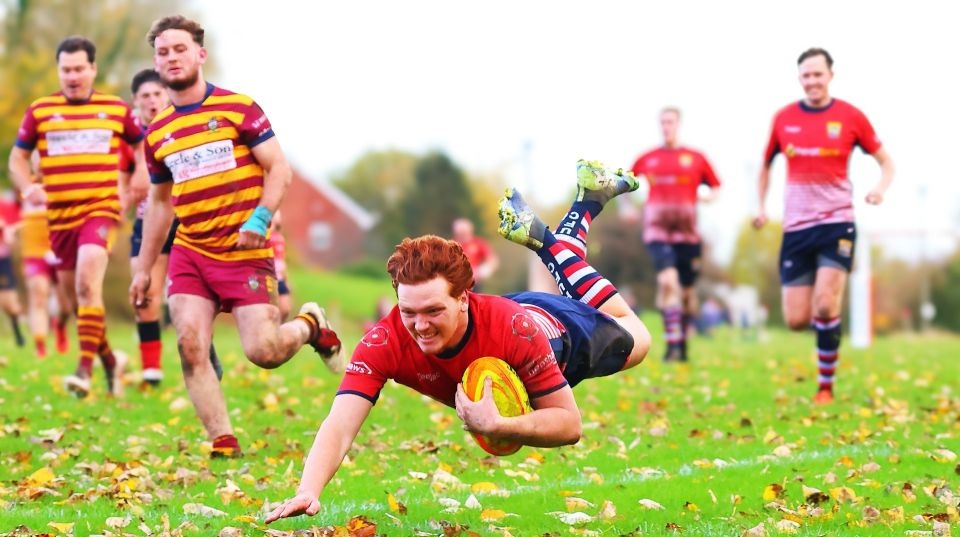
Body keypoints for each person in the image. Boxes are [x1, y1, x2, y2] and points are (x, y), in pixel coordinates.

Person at [265, 160, 651, 524]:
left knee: (637, 336)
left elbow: (569, 424)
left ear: (463, 297)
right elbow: (340, 424)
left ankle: (549, 241)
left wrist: (501, 425)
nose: (420, 326)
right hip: (507, 318)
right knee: (555, 279)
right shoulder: (385, 340)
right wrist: (307, 489)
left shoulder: (515, 331)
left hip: (558, 334)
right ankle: (586, 203)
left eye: (433, 311)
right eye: (408, 311)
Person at [130, 15, 344, 458]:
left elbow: (278, 169)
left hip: (245, 248)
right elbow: (159, 204)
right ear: (156, 61)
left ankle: (308, 325)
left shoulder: (239, 108)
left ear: (200, 54)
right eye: (163, 52)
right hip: (191, 251)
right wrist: (143, 269)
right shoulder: (158, 132)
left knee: (263, 351)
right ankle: (222, 440)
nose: (172, 58)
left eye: (180, 49)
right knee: (191, 345)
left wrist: (260, 219)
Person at [753, 47, 894, 404]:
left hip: (837, 224)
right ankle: (829, 332)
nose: (812, 81)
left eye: (818, 74)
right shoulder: (783, 119)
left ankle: (825, 387)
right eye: (806, 75)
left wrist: (879, 189)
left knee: (826, 304)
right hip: (796, 229)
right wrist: (761, 206)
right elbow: (766, 164)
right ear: (799, 79)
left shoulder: (851, 117)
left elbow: (886, 162)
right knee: (798, 318)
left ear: (831, 75)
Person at [8, 35, 145, 397]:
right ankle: (112, 364)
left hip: (100, 211)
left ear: (93, 69)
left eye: (79, 69)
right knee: (78, 300)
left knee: (87, 284)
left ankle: (83, 371)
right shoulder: (40, 111)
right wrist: (27, 188)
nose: (72, 76)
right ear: (58, 71)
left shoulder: (115, 109)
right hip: (60, 220)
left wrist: (142, 174)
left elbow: (142, 144)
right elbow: (17, 159)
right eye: (65, 70)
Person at [630, 107, 721, 362]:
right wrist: (628, 208)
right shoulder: (648, 158)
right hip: (657, 231)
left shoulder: (695, 158)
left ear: (678, 124)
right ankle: (673, 346)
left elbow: (716, 186)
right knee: (668, 282)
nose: (666, 126)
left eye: (670, 122)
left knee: (688, 296)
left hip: (688, 236)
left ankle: (682, 339)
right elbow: (626, 182)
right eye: (663, 122)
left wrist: (708, 197)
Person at [12, 153, 70, 358]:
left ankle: (61, 325)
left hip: (60, 249)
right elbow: (18, 217)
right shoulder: (25, 189)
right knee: (38, 294)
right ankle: (40, 346)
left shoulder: (64, 186)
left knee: (65, 305)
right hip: (34, 252)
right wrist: (13, 229)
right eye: (38, 159)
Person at [0, 193, 26, 348]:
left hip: (2, 259)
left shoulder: (6, 205)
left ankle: (17, 330)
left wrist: (9, 230)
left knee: (8, 303)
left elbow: (20, 223)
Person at [451, 217, 499, 292]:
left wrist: (483, 271)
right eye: (460, 232)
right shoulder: (451, 245)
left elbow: (493, 260)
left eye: (464, 232)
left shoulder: (478, 243)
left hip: (474, 283)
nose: (462, 235)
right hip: (456, 283)